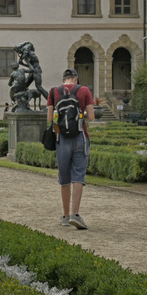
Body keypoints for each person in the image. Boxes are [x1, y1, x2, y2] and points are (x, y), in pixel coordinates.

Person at [49, 68, 95, 230]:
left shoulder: (54, 91)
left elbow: (50, 119)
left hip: (61, 139)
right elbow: (92, 116)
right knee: (78, 176)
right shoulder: (84, 91)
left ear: (64, 80)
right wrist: (80, 115)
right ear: (76, 79)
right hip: (80, 137)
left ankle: (65, 216)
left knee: (64, 178)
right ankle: (76, 214)